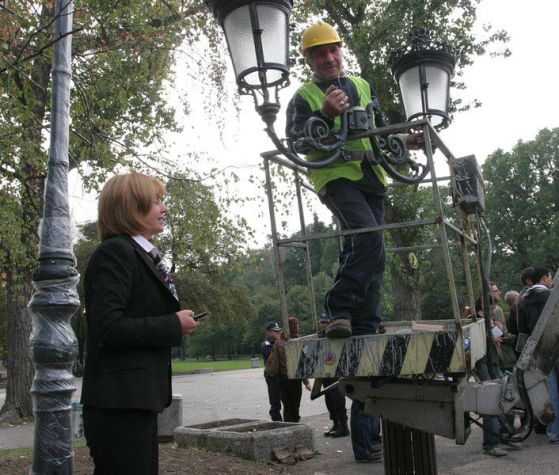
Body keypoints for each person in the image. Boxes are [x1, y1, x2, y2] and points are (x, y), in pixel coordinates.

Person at [286, 20, 423, 339]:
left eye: (334, 49)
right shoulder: (303, 97)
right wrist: (324, 115)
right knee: (370, 237)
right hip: (336, 178)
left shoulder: (362, 86)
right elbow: (295, 143)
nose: (329, 57)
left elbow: (377, 133)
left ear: (340, 52)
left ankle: (364, 325)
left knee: (374, 253)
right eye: (320, 53)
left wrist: (404, 140)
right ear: (309, 60)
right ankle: (337, 310)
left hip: (372, 179)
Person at [80, 172, 200, 474]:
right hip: (118, 404)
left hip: (134, 401)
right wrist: (172, 325)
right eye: (156, 201)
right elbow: (108, 328)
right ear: (132, 207)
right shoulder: (116, 252)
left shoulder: (139, 254)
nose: (165, 208)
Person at [517, 266, 559, 443]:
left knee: (550, 392)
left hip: (538, 353)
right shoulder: (552, 297)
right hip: (556, 347)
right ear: (544, 278)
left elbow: (520, 329)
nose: (551, 281)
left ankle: (554, 433)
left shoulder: (522, 300)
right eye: (550, 277)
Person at [274, 317, 312, 422]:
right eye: (298, 325)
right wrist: (306, 382)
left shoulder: (278, 342)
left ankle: (288, 425)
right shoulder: (297, 342)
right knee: (295, 405)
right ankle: (295, 426)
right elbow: (302, 362)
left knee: (287, 405)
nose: (299, 327)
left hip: (281, 378)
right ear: (294, 327)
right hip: (294, 378)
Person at [317, 314, 348, 437]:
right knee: (329, 399)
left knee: (337, 398)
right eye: (322, 323)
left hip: (336, 370)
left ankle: (343, 425)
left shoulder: (337, 335)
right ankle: (335, 423)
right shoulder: (319, 336)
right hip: (325, 371)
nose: (324, 325)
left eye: (326, 323)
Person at [260, 321, 283, 421]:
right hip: (272, 376)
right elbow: (273, 356)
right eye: (275, 331)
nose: (278, 333)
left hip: (282, 375)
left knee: (286, 399)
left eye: (278, 331)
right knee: (275, 401)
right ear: (268, 332)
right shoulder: (266, 344)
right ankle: (277, 422)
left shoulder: (279, 342)